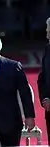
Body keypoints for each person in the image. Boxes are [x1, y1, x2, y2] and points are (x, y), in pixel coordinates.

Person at [37, 17, 50, 146]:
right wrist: (44, 98)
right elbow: (43, 77)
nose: (46, 31)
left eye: (48, 29)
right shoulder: (48, 49)